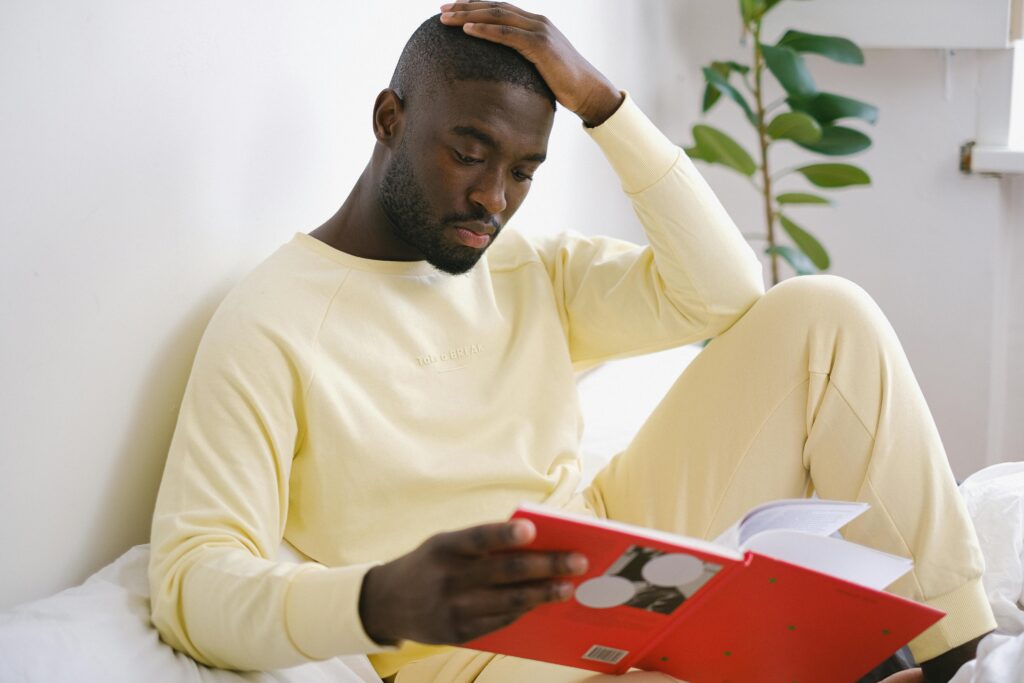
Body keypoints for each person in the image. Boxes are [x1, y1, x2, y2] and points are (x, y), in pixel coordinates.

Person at [147, 3, 996, 682]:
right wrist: (381, 600)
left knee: (825, 315)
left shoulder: (524, 263)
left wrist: (605, 106)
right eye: (468, 152)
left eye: (523, 170)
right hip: (480, 652)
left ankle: (963, 657)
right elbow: (191, 581)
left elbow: (723, 292)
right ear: (390, 119)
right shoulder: (271, 320)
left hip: (617, 550)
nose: (492, 197)